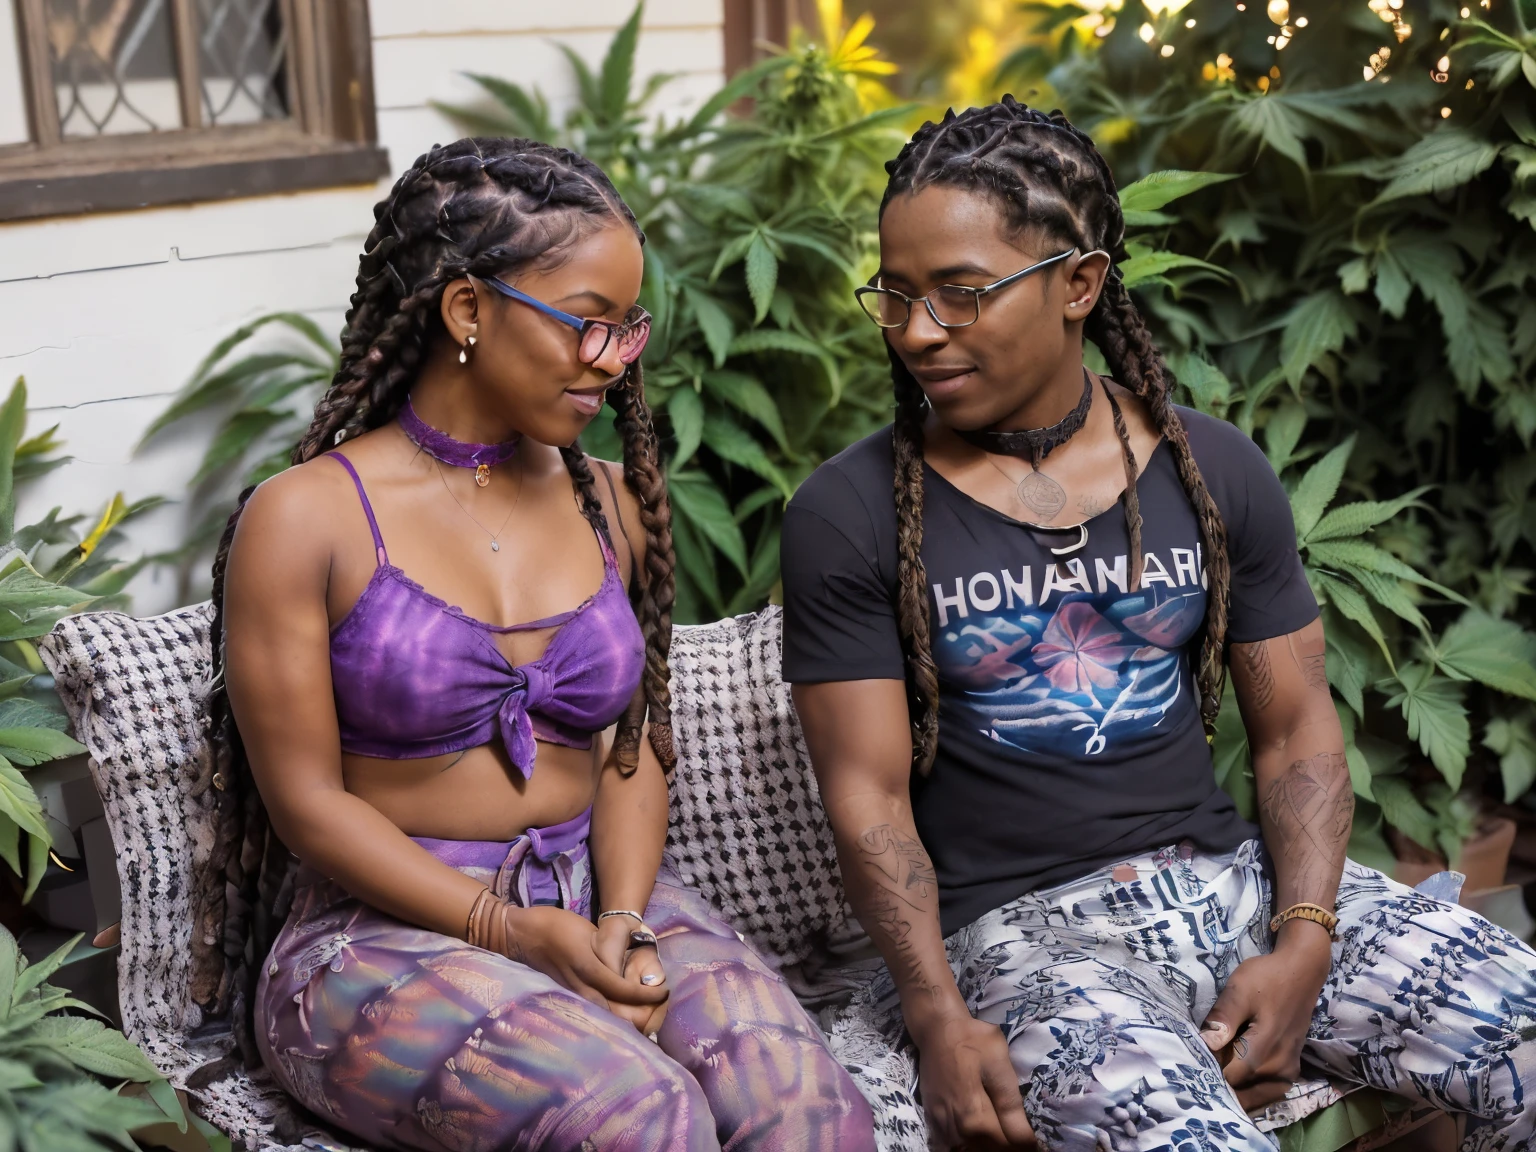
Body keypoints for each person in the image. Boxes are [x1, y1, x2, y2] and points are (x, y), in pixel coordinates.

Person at [781, 97, 1536, 1152]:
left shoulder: (1211, 466)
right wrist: (939, 1019)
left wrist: (1305, 939)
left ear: (1079, 283)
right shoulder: (848, 512)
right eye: (895, 296)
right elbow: (866, 794)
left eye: (959, 296)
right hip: (1030, 945)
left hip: (1239, 889)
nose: (915, 332)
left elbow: (1297, 729)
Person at [209, 136, 876, 1152]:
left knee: (809, 1115)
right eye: (586, 324)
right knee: (641, 1116)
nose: (615, 359)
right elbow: (308, 807)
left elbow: (629, 748)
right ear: (468, 310)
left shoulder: (612, 503)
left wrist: (627, 919)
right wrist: (508, 931)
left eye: (627, 328)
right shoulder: (305, 520)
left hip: (597, 893)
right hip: (380, 936)